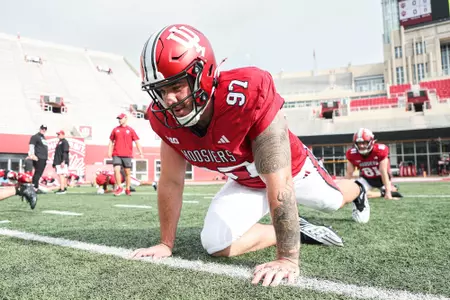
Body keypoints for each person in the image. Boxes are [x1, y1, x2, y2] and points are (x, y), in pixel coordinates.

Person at [131, 24, 369, 287]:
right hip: (246, 181)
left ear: (204, 72)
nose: (170, 100)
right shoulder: (164, 119)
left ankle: (358, 190)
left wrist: (287, 259)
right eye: (161, 91)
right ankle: (295, 229)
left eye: (176, 85)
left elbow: (280, 179)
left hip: (292, 172)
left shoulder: (247, 92)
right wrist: (166, 243)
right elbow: (172, 181)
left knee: (332, 200)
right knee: (215, 243)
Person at [346, 128, 402, 200]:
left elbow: (383, 171)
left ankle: (388, 189)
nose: (361, 146)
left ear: (371, 141)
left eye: (364, 143)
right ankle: (381, 193)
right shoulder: (352, 153)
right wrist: (345, 189)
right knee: (356, 192)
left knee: (391, 191)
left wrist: (388, 191)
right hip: (367, 179)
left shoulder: (380, 150)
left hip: (381, 179)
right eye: (359, 143)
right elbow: (349, 173)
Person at [108, 113, 144, 196]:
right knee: (116, 170)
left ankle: (127, 188)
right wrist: (109, 151)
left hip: (127, 155)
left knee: (127, 173)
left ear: (125, 118)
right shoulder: (115, 130)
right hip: (116, 153)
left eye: (121, 118)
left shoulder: (130, 130)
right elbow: (110, 141)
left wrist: (141, 152)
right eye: (118, 119)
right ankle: (119, 187)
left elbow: (137, 141)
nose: (119, 120)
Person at [29, 124, 49, 192]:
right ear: (40, 128)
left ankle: (34, 186)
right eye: (42, 128)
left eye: (45, 129)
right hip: (38, 157)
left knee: (38, 173)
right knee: (38, 172)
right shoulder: (35, 137)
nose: (44, 130)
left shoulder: (43, 137)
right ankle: (35, 187)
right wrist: (32, 155)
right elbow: (31, 145)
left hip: (43, 158)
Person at [52, 130, 70, 194]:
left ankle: (62, 189)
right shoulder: (60, 142)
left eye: (59, 134)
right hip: (58, 161)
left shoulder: (64, 142)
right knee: (62, 175)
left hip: (61, 161)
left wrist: (63, 161)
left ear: (63, 134)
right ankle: (63, 188)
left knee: (61, 175)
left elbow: (65, 152)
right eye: (58, 134)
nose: (58, 135)